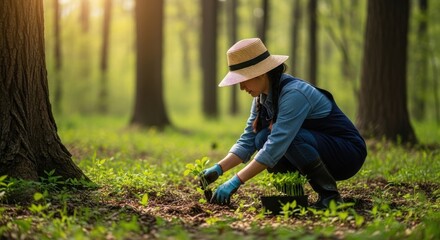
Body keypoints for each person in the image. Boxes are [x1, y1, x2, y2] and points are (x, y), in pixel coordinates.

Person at [200, 38, 367, 209]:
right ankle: (295, 198)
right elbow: (248, 140)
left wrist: (236, 181)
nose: (241, 87)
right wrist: (219, 168)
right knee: (261, 138)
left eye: (243, 80)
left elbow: (277, 145)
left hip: (347, 154)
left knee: (285, 139)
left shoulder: (294, 94)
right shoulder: (261, 98)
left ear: (260, 73)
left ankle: (330, 197)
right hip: (319, 149)